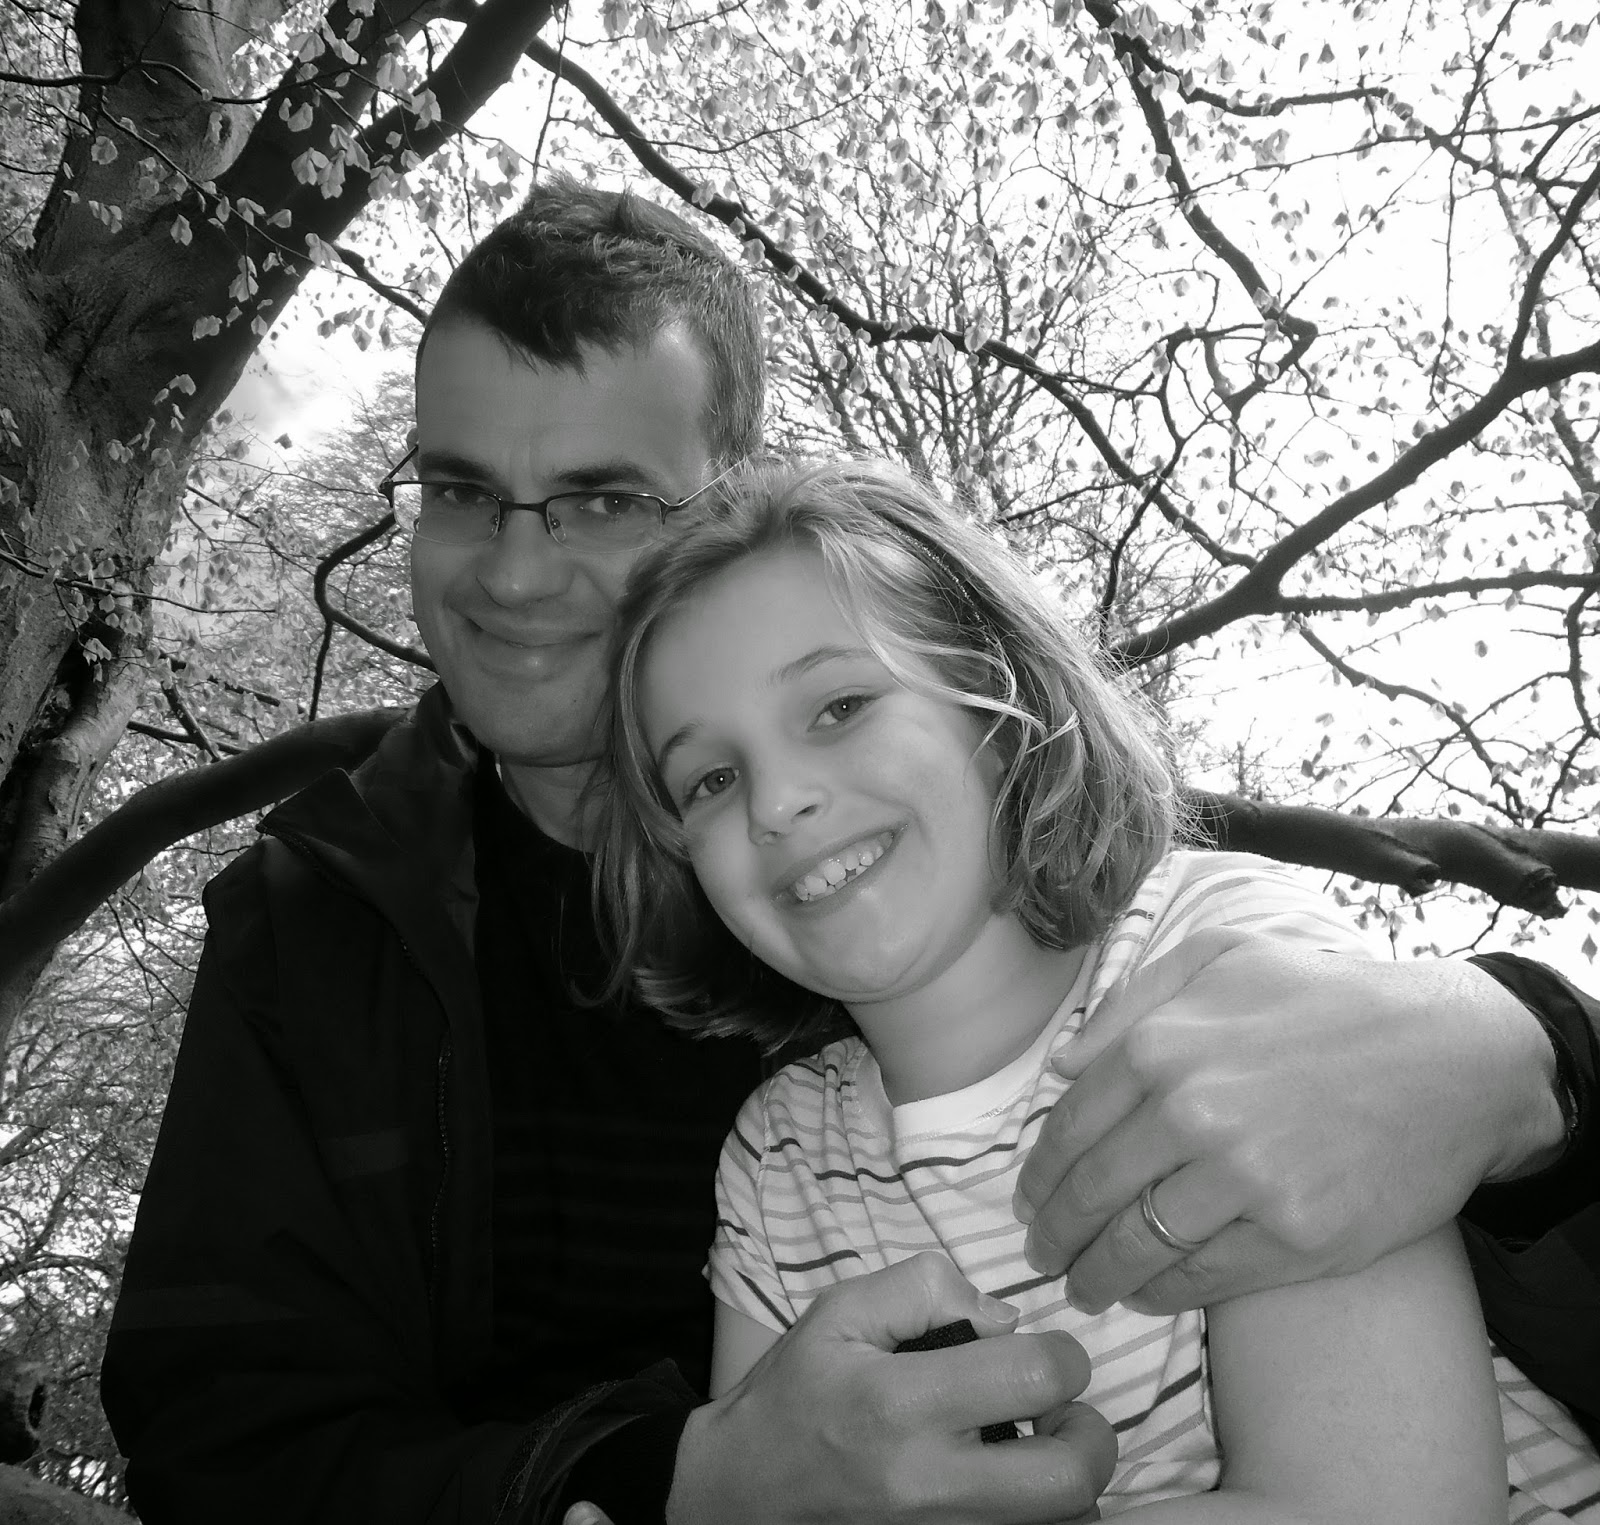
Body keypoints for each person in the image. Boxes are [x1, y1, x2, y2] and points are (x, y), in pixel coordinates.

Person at [98, 176, 1599, 1524]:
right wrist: (671, 1485)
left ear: (728, 500)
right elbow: (221, 1438)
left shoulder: (1096, 932)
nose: (514, 570)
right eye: (459, 491)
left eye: (604, 499)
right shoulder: (319, 922)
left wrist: (1525, 1050)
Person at [594, 453, 1600, 1521]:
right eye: (709, 778)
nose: (776, 800)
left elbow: (1381, 1504)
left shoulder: (1218, 958)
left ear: (996, 705)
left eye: (839, 705)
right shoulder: (778, 1162)